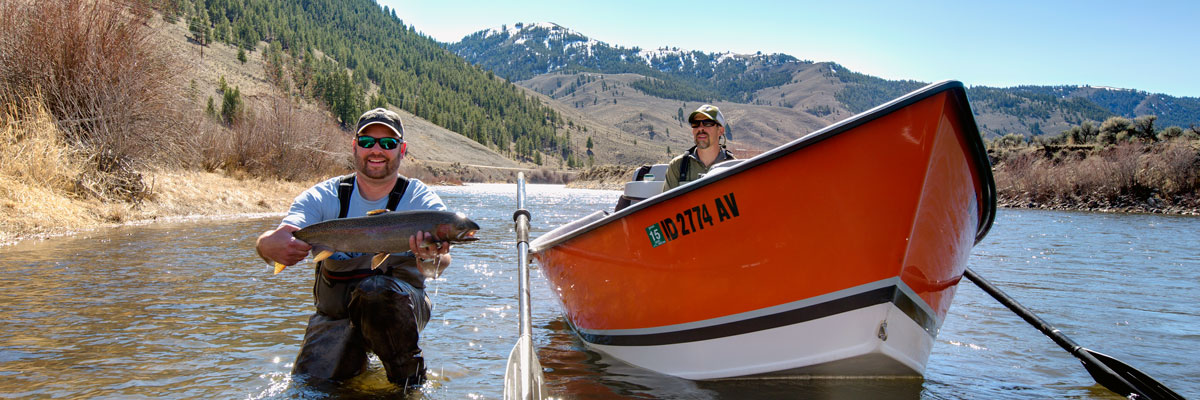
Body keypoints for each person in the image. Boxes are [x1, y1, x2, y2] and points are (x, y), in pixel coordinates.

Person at [254, 107, 452, 387]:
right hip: (336, 316)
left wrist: (431, 260)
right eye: (367, 141)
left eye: (388, 143)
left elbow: (442, 264)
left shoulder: (420, 199)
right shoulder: (324, 195)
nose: (376, 150)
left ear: (402, 149)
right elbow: (283, 234)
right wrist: (266, 245)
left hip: (399, 311)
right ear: (354, 146)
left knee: (377, 292)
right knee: (310, 387)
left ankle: (408, 385)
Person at [664, 104, 736, 190]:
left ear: (720, 130)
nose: (700, 128)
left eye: (707, 123)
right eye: (696, 124)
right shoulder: (677, 166)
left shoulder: (735, 167)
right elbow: (669, 203)